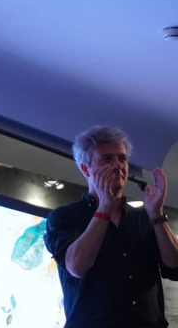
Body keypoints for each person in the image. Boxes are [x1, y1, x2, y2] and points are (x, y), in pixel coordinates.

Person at [44, 125, 178, 328]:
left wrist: (157, 215)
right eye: (107, 159)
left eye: (122, 158)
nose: (118, 165)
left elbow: (175, 266)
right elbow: (76, 267)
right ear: (86, 169)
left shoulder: (144, 217)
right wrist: (104, 208)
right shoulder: (64, 217)